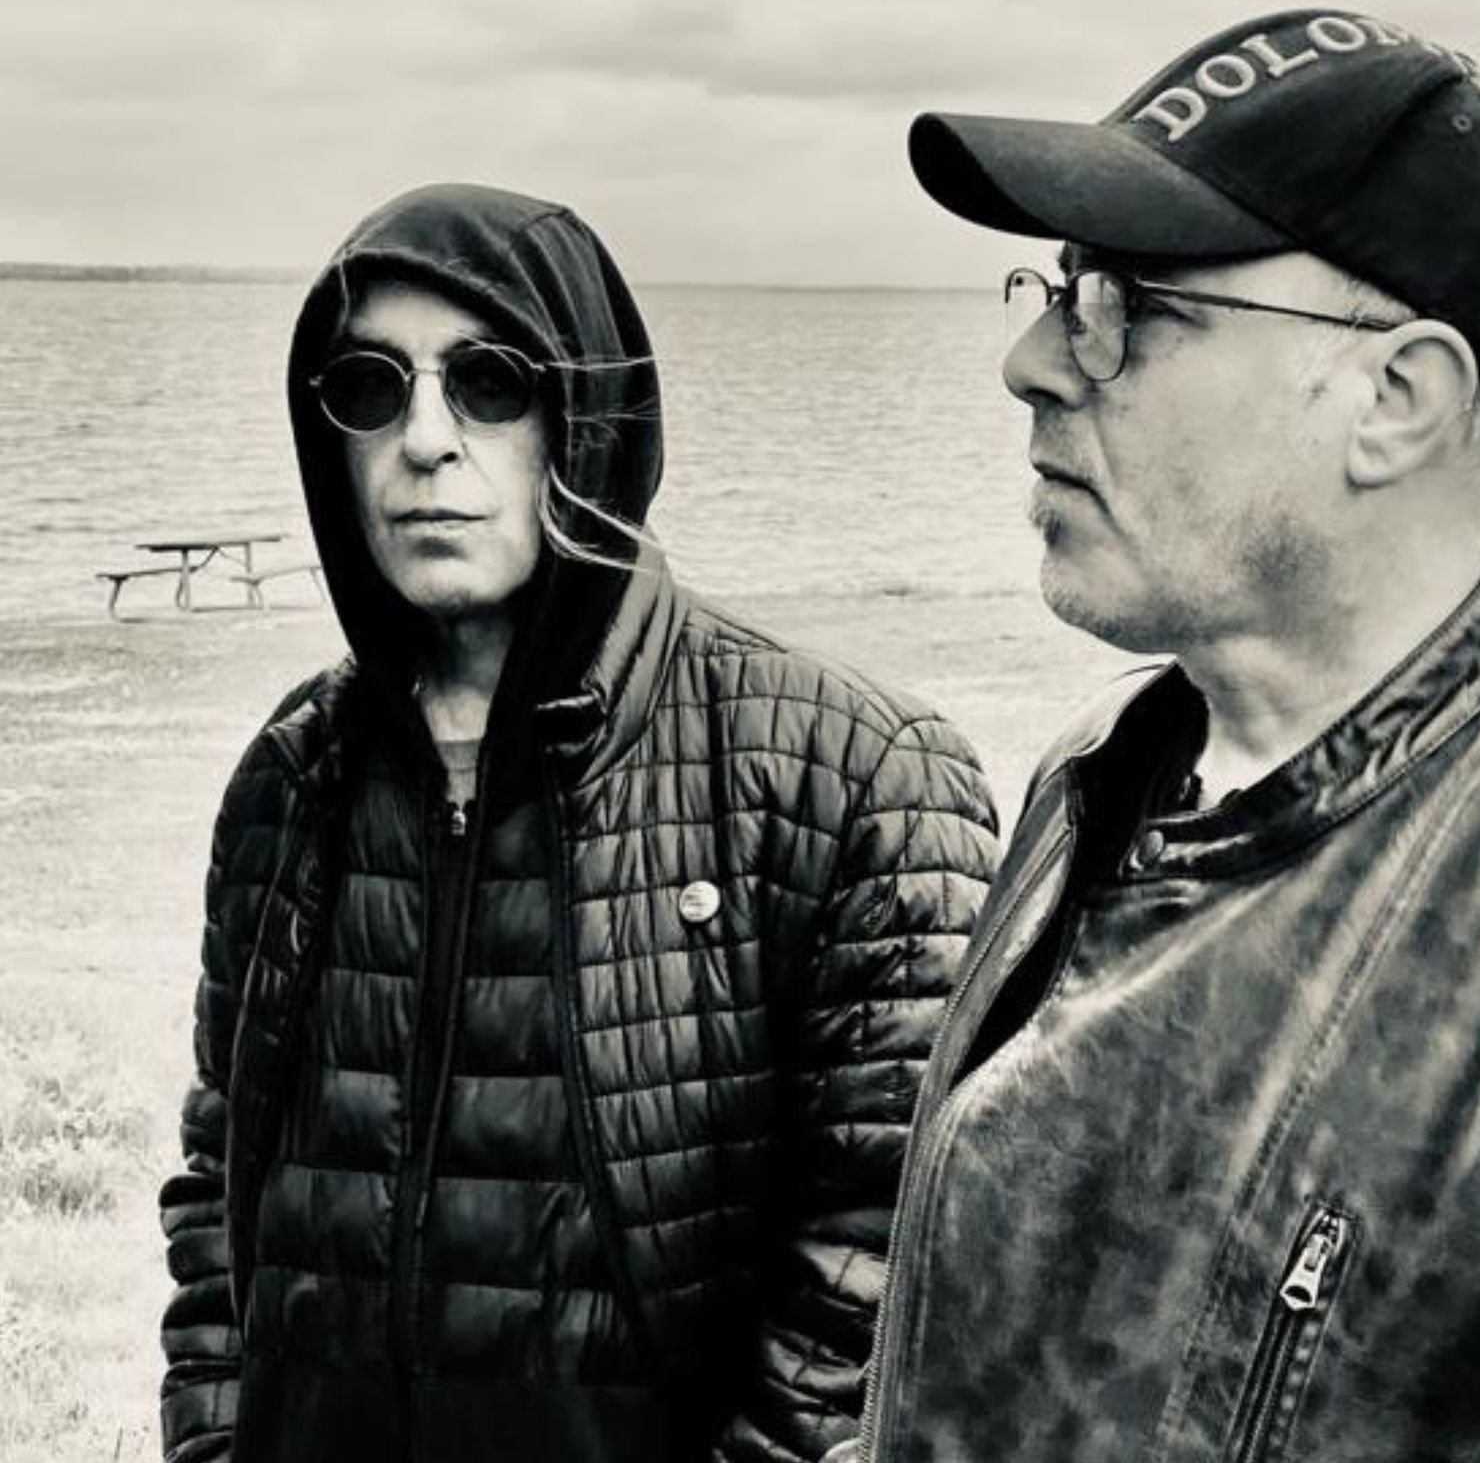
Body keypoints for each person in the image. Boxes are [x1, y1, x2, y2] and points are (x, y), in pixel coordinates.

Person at [846, 10, 1480, 1462]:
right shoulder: (1100, 771)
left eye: (1126, 304)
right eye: (1055, 288)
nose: (1031, 360)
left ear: (1396, 400)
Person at [156, 183, 997, 1463]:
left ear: (587, 418)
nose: (424, 440)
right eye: (369, 388)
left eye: (488, 382)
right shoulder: (293, 775)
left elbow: (881, 1267)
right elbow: (219, 1193)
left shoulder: (858, 776)